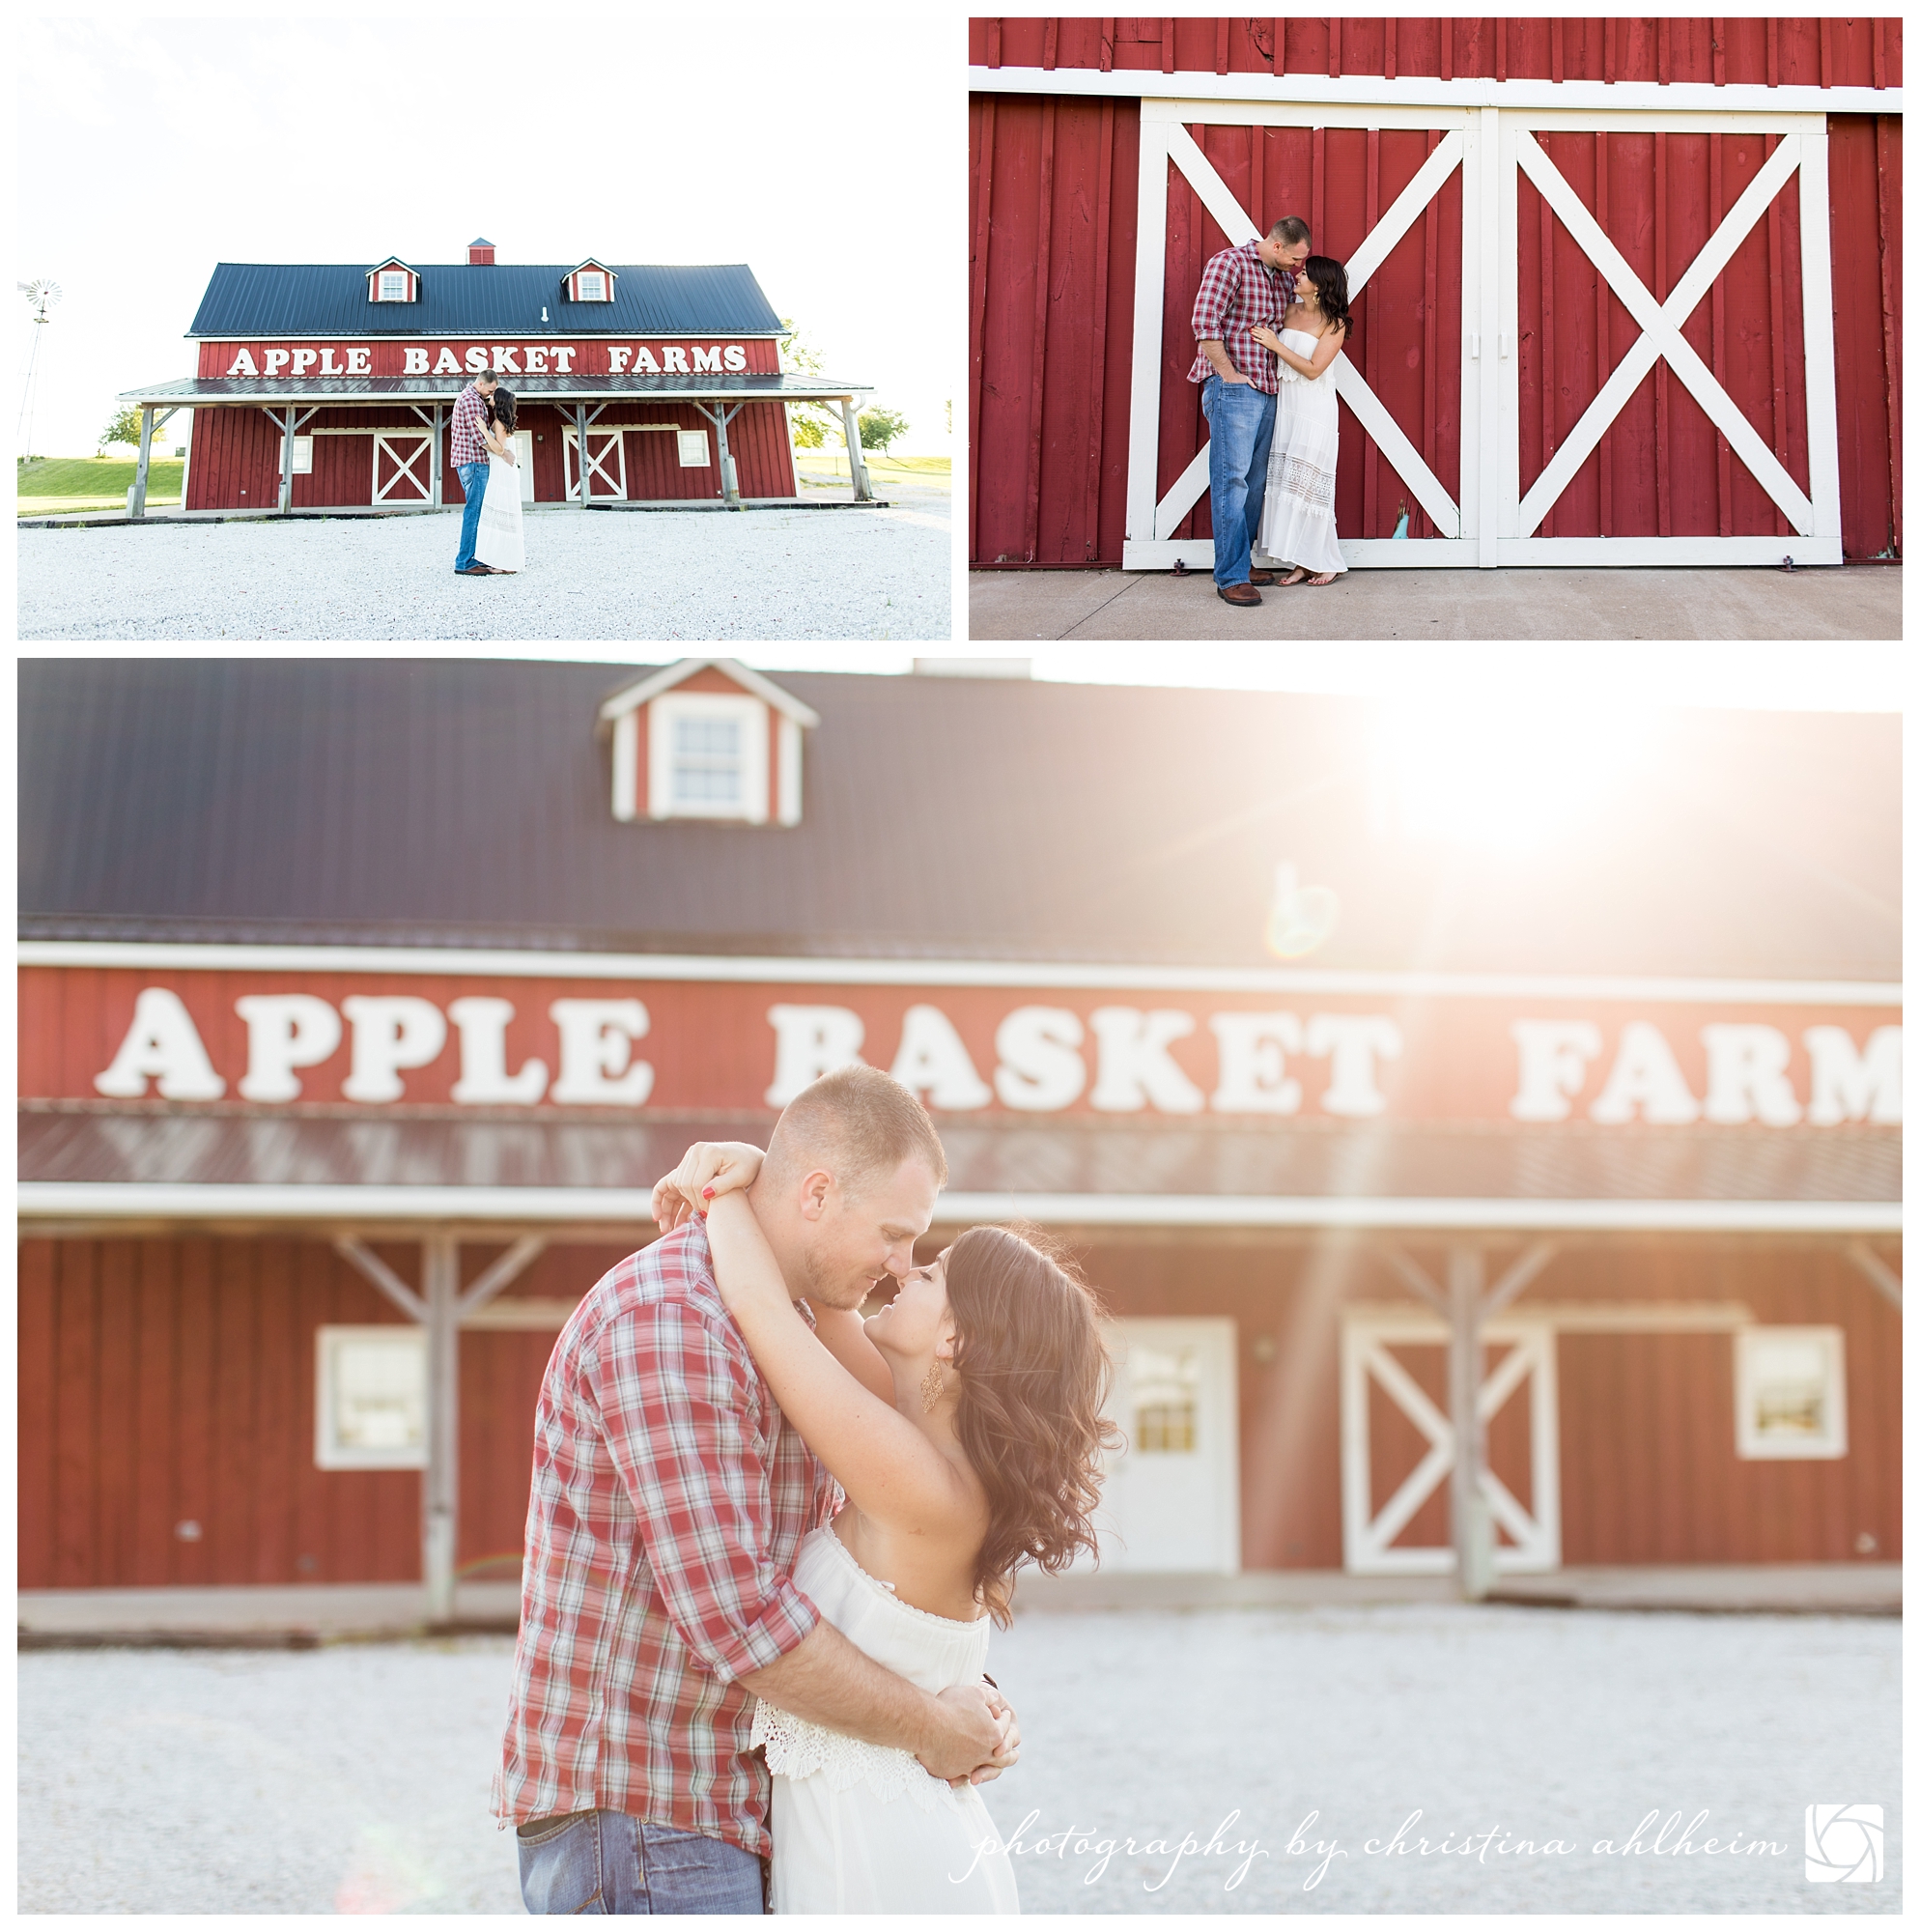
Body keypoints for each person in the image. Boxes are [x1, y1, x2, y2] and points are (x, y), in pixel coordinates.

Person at [495, 1065, 1020, 1916]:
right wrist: (933, 1725)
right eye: (894, 1235)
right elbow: (737, 1615)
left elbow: (871, 1574)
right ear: (816, 1193)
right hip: (644, 1810)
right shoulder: (671, 1319)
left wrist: (968, 1699)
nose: (900, 1266)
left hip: (721, 1808)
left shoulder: (796, 1329)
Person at [649, 1127, 1116, 1915]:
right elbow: (824, 1297)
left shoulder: (922, 1483)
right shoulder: (919, 1437)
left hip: (881, 1857)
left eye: (929, 1273)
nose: (904, 1269)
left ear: (954, 1339)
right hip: (866, 1835)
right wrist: (774, 1180)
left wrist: (720, 1193)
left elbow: (765, 1309)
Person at [1189, 213, 1313, 608]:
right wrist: (1228, 375)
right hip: (1235, 389)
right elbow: (1205, 323)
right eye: (1295, 259)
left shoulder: (1280, 278)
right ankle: (1230, 576)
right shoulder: (1230, 263)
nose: (1299, 268)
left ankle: (1242, 560)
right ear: (1277, 246)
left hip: (1268, 389)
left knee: (1255, 483)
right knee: (1232, 482)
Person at [1250, 255, 1352, 586]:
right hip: (1287, 408)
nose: (1297, 276)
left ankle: (1327, 561)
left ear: (1320, 286)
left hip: (1314, 411)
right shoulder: (1289, 311)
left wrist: (1276, 344)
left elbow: (1312, 370)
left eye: (1305, 274)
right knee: (1284, 486)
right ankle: (1299, 561)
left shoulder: (1334, 324)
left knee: (1309, 488)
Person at [451, 368, 501, 576]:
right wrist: (501, 452)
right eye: (490, 391)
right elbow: (480, 439)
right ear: (480, 384)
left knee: (477, 511)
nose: (491, 395)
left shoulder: (470, 397)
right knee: (474, 511)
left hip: (469, 463)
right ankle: (465, 562)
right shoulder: (472, 400)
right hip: (474, 463)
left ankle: (473, 556)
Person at [474, 385, 524, 575]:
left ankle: (506, 564)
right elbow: (500, 450)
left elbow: (499, 448)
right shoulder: (499, 421)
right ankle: (504, 561)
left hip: (503, 472)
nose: (490, 396)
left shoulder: (500, 423)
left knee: (502, 513)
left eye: (494, 395)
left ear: (500, 400)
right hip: (501, 468)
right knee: (499, 515)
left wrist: (483, 431)